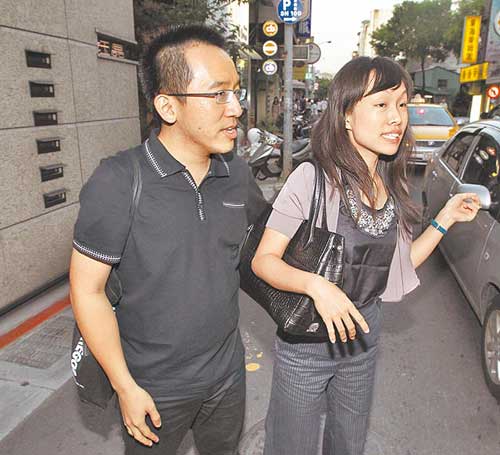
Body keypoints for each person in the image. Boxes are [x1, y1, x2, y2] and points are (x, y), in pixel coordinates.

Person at [251, 56, 480, 455]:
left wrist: (445, 218)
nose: (396, 118)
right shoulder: (312, 179)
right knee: (292, 446)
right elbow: (263, 260)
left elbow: (397, 267)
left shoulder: (391, 183)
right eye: (381, 104)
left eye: (402, 104)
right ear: (346, 115)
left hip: (362, 337)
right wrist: (316, 286)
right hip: (307, 342)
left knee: (349, 443)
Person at [69, 25, 266, 455]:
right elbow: (88, 291)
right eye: (218, 94)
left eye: (236, 92)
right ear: (168, 106)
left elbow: (262, 249)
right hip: (152, 387)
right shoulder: (118, 181)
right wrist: (125, 386)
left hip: (227, 375)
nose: (236, 108)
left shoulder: (237, 174)